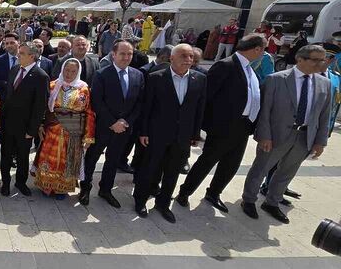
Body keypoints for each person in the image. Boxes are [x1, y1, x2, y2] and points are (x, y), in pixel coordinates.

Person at [240, 45, 331, 224]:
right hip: (276, 135)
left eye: (323, 59)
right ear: (300, 59)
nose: (321, 64)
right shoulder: (276, 80)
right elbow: (264, 111)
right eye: (316, 60)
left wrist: (320, 141)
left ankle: (272, 202)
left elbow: (324, 115)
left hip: (304, 137)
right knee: (261, 168)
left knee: (287, 171)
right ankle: (249, 199)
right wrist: (264, 135)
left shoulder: (324, 83)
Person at [176, 34, 266, 212]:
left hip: (243, 126)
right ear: (256, 49)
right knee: (207, 161)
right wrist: (206, 127)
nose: (264, 53)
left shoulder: (250, 70)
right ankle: (185, 192)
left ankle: (214, 193)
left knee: (231, 164)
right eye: (263, 49)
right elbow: (206, 98)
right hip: (222, 127)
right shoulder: (226, 65)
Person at [133, 44, 206, 222]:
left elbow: (199, 109)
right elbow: (147, 107)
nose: (188, 60)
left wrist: (195, 134)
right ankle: (140, 200)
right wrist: (143, 132)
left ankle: (163, 204)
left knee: (172, 172)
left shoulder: (200, 79)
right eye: (183, 56)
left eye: (190, 57)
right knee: (150, 168)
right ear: (171, 58)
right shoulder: (156, 78)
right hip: (157, 133)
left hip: (182, 136)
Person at [81, 40, 145, 208]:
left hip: (124, 129)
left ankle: (106, 190)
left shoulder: (137, 75)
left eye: (129, 54)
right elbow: (97, 101)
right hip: (103, 127)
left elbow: (139, 103)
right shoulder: (102, 74)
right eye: (122, 54)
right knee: (92, 158)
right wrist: (112, 122)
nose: (126, 57)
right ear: (113, 55)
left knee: (113, 160)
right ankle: (85, 188)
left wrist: (125, 122)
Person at [33, 59, 95, 199]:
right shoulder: (53, 85)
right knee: (49, 159)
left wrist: (88, 136)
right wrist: (40, 125)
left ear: (78, 72)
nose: (69, 74)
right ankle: (47, 186)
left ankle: (62, 188)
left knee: (67, 160)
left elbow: (89, 113)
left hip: (72, 133)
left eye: (73, 71)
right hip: (52, 131)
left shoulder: (84, 89)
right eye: (67, 70)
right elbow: (42, 107)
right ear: (62, 69)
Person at [0, 42, 49, 196]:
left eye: (21, 53)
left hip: (25, 127)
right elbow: (8, 96)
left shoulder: (41, 76)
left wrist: (32, 130)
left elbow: (40, 106)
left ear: (32, 56)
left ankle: (20, 183)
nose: (18, 55)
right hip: (8, 124)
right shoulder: (14, 69)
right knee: (6, 156)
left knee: (22, 157)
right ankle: (5, 183)